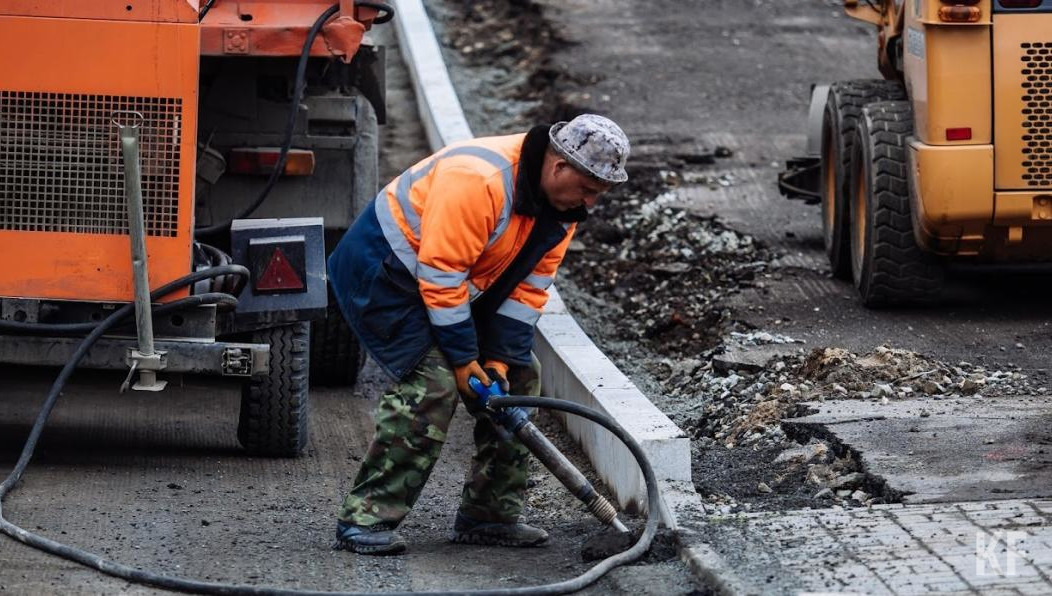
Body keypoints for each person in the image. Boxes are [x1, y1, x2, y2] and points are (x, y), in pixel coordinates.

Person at [326, 114, 630, 555]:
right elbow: (441, 275)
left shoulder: (564, 207)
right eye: (587, 190)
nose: (590, 203)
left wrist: (499, 360)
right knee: (434, 383)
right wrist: (465, 360)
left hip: (452, 281)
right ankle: (366, 519)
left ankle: (490, 515)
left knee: (520, 379)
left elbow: (529, 288)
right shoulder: (479, 180)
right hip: (384, 272)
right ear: (560, 167)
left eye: (598, 195)